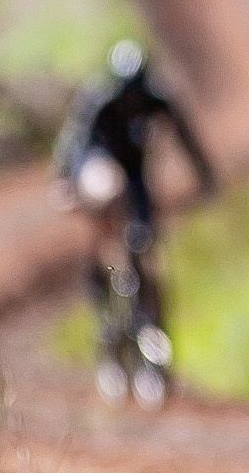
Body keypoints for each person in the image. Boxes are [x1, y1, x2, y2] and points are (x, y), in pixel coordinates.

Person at [56, 39, 218, 375]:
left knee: (145, 241)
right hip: (99, 165)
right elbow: (74, 142)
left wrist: (205, 177)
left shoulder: (156, 99)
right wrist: (65, 181)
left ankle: (150, 317)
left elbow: (186, 138)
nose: (132, 101)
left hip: (135, 174)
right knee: (108, 197)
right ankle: (104, 297)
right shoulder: (101, 100)